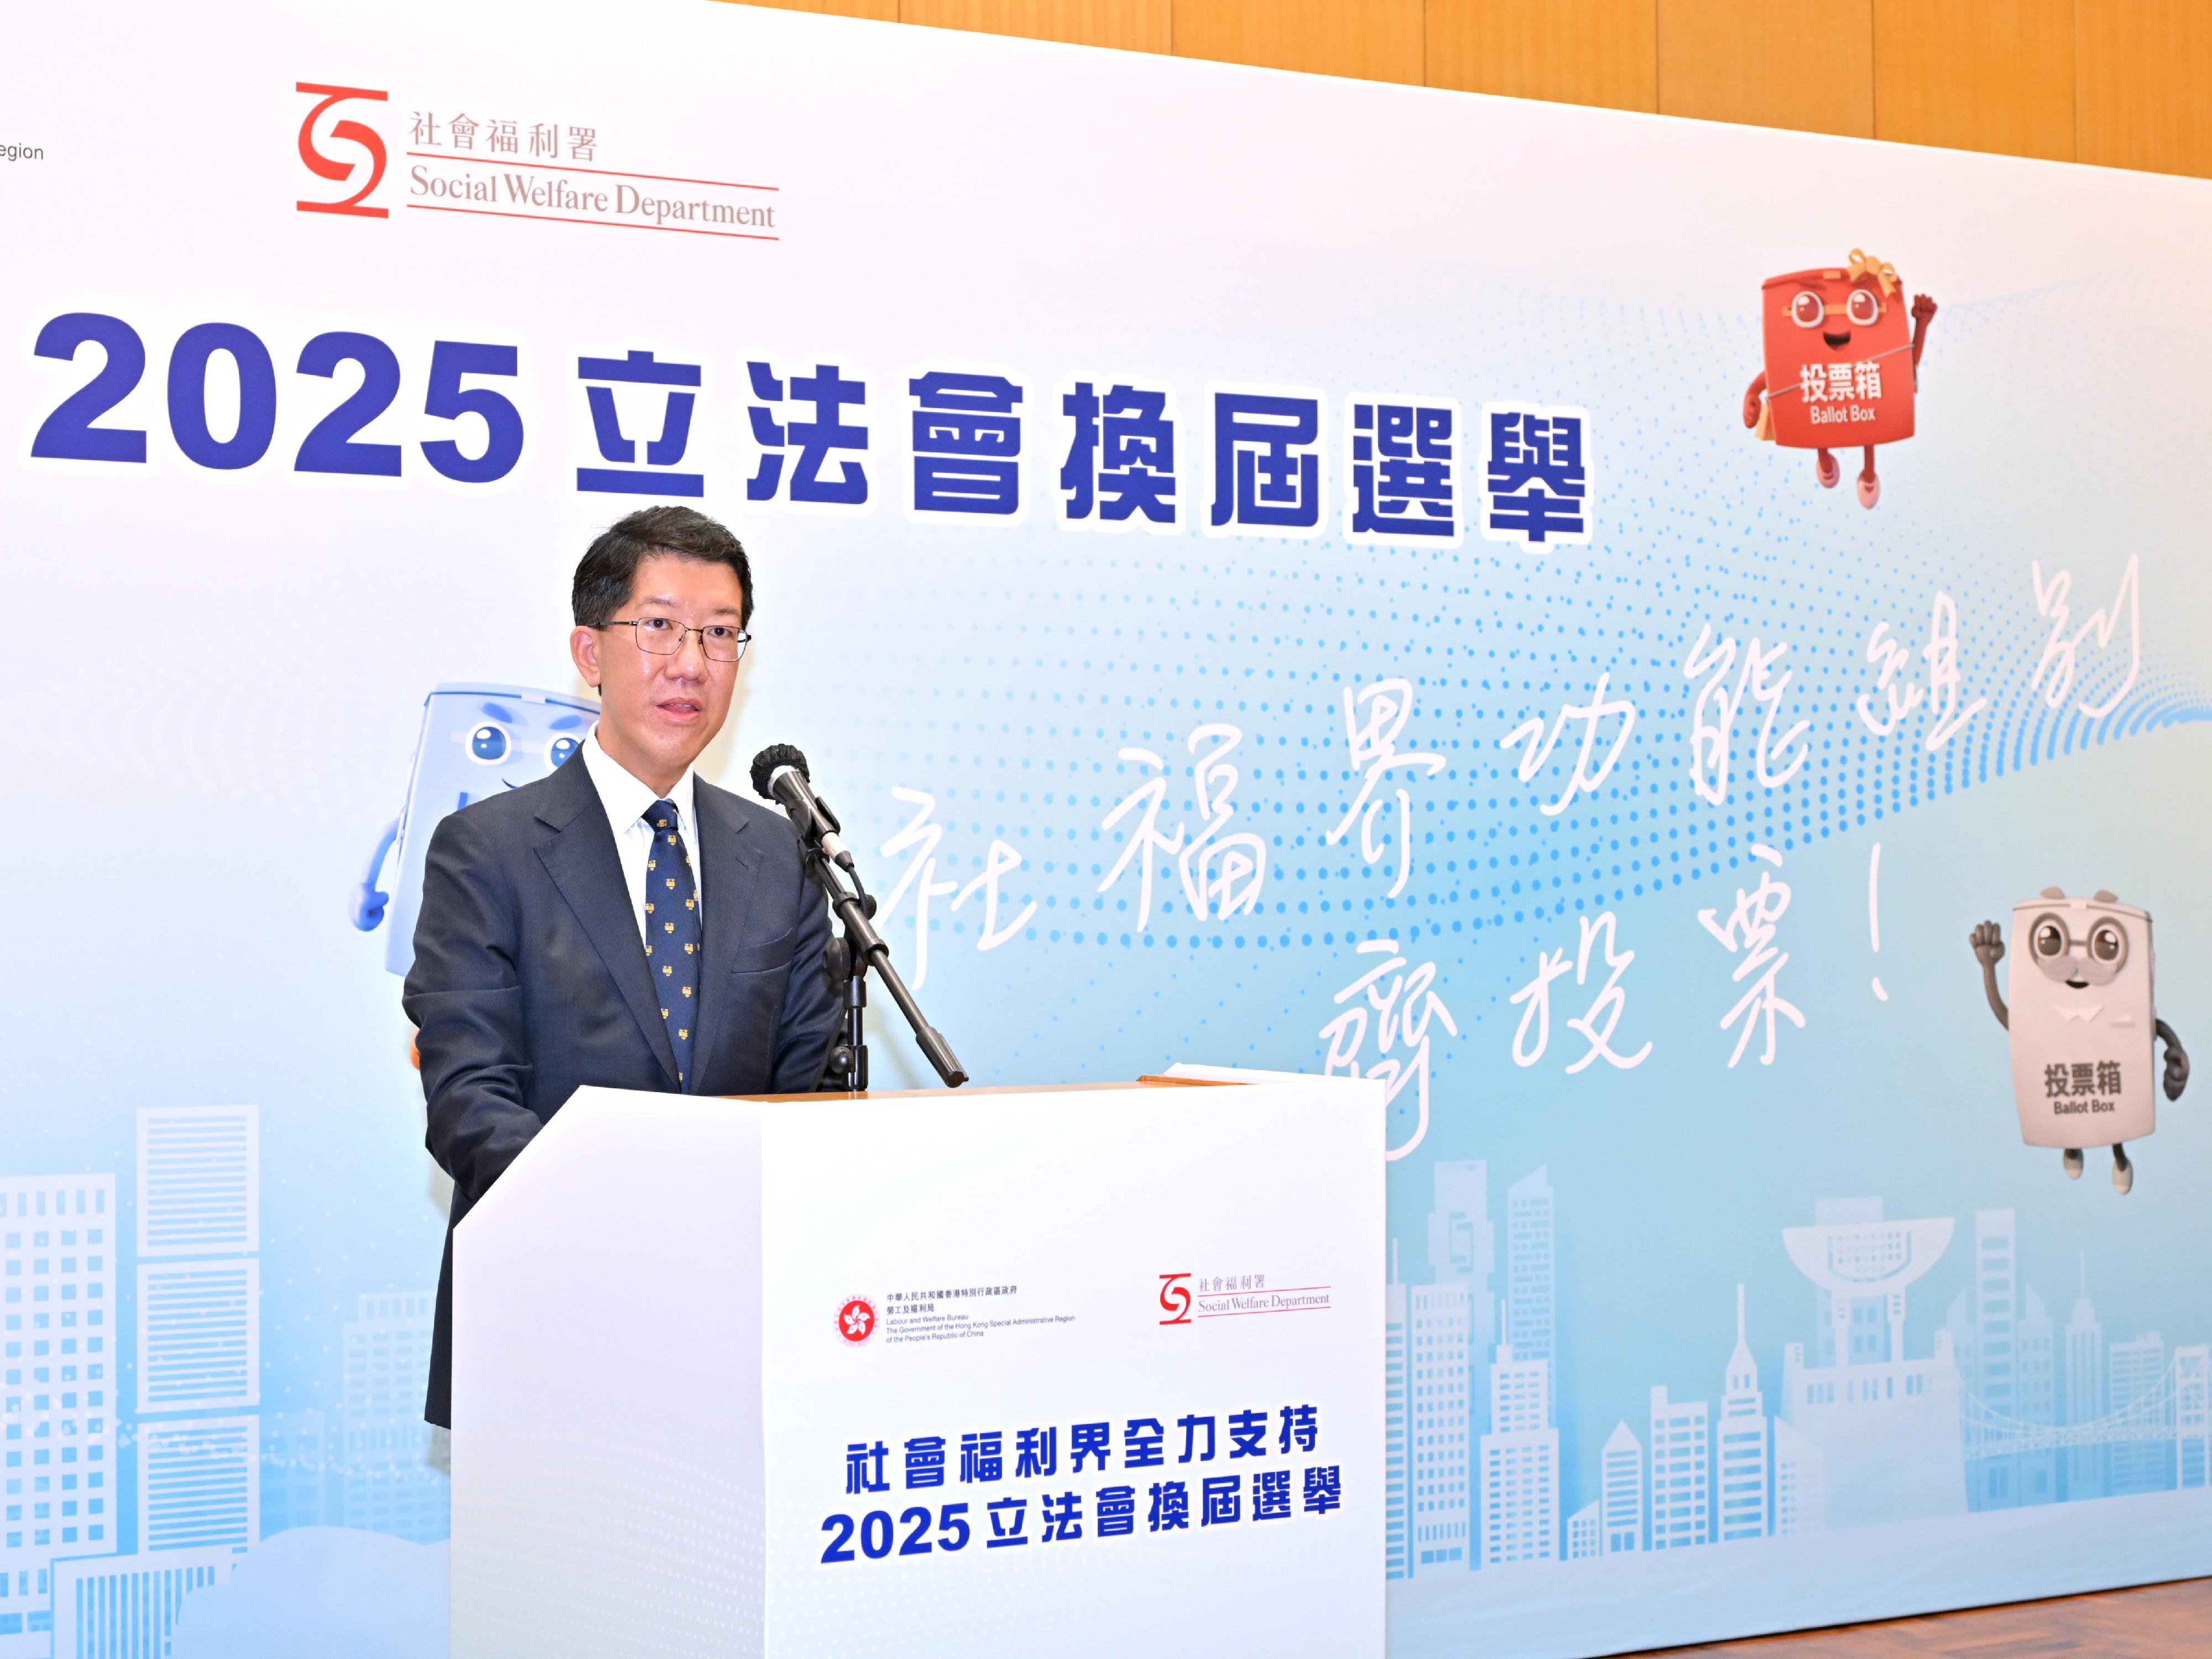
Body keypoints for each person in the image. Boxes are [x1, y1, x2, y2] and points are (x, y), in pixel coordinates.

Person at [405, 505, 837, 1429]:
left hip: (741, 1322)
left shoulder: (777, 850)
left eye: (720, 635)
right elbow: (470, 1101)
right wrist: (635, 1231)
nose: (691, 662)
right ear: (590, 653)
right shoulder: (488, 850)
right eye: (660, 627)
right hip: (547, 1310)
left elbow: (808, 1091)